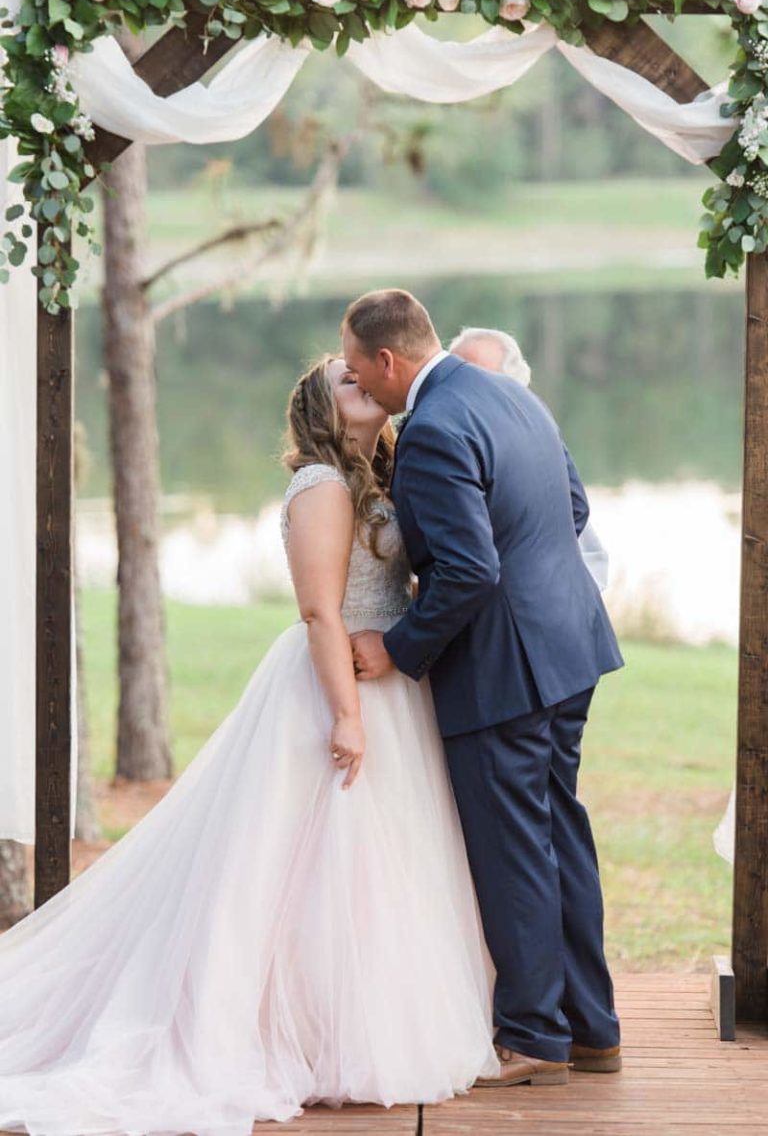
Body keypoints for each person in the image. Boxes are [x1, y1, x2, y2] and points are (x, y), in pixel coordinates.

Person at [0, 354, 499, 1135]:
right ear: (320, 410)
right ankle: (288, 1031)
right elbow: (319, 612)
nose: (362, 382)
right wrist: (345, 714)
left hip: (392, 686)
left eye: (364, 372)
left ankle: (365, 1020)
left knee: (380, 870)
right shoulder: (323, 487)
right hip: (333, 689)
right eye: (344, 380)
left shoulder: (382, 471)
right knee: (307, 864)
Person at [344, 289, 624, 1088]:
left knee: (514, 850)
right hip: (572, 647)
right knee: (559, 833)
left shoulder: (431, 428)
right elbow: (572, 506)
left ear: (388, 361)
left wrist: (397, 648)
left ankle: (535, 1035)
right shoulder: (509, 393)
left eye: (360, 369)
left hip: (504, 666)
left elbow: (468, 571)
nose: (361, 382)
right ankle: (591, 1027)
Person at [448, 326, 610, 592]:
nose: (460, 391)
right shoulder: (440, 453)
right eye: (454, 377)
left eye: (477, 379)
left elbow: (589, 553)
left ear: (515, 392)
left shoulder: (540, 460)